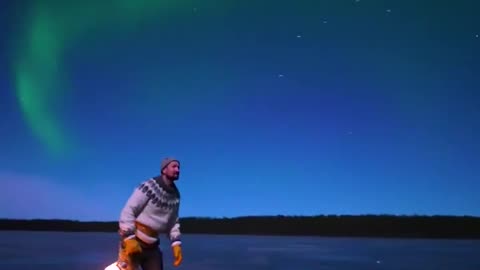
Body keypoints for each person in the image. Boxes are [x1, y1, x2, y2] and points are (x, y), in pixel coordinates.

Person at [114, 157, 183, 270]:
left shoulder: (175, 196)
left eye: (179, 167)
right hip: (134, 241)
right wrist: (129, 238)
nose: (177, 170)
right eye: (174, 166)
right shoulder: (149, 186)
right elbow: (128, 210)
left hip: (153, 246)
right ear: (164, 170)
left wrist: (176, 244)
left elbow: (173, 222)